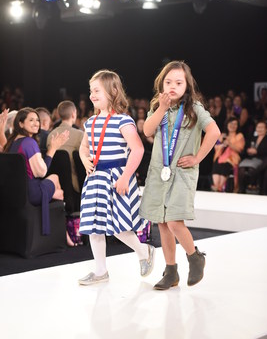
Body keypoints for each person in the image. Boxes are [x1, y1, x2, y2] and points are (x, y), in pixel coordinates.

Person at [139, 60, 220, 290]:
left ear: (187, 85)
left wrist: (197, 158)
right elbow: (147, 131)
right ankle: (171, 271)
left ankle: (195, 257)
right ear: (161, 84)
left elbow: (214, 132)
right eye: (168, 82)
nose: (172, 86)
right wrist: (162, 109)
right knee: (162, 224)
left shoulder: (194, 107)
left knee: (175, 221)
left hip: (183, 173)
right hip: (158, 172)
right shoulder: (158, 106)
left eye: (178, 82)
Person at [78, 69, 155, 286]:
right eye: (90, 90)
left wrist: (125, 178)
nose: (92, 95)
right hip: (96, 178)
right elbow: (84, 147)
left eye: (96, 90)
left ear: (112, 91)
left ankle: (143, 252)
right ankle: (100, 271)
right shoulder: (90, 122)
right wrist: (85, 160)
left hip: (118, 177)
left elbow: (138, 150)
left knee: (119, 226)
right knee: (95, 225)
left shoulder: (123, 121)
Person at [3, 107, 75, 245]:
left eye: (37, 120)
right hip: (32, 194)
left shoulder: (12, 142)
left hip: (16, 194)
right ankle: (64, 232)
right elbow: (42, 172)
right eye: (31, 120)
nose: (36, 123)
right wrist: (53, 149)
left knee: (59, 193)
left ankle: (64, 232)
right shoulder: (29, 143)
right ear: (21, 123)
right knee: (55, 179)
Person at [47, 100, 84, 194]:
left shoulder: (50, 135)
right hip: (76, 184)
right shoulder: (80, 135)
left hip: (55, 184)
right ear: (73, 114)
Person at [212, 116, 245, 192]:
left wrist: (229, 143)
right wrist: (221, 143)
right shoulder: (222, 135)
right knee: (217, 164)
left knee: (225, 164)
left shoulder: (239, 136)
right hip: (220, 156)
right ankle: (216, 185)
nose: (232, 126)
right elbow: (216, 147)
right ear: (227, 124)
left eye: (235, 124)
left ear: (237, 126)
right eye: (231, 123)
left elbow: (239, 149)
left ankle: (220, 186)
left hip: (231, 158)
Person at [238, 121, 267, 193]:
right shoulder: (252, 137)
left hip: (262, 158)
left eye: (262, 127)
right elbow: (246, 147)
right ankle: (241, 189)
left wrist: (257, 151)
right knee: (241, 169)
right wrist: (248, 150)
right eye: (258, 127)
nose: (259, 129)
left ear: (266, 129)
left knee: (252, 170)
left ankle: (253, 187)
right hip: (251, 158)